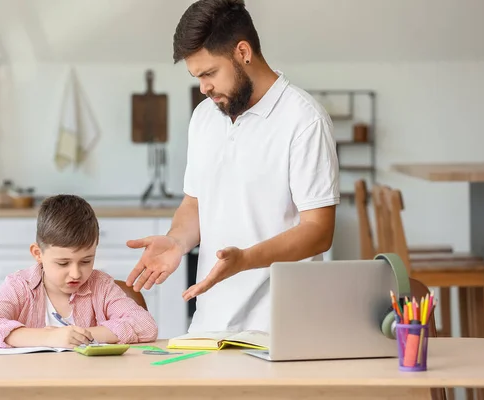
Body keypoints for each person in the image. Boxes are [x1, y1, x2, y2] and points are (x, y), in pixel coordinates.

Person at [125, 0, 340, 333]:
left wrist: (246, 260)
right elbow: (194, 203)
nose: (203, 87)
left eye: (209, 73)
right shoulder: (204, 117)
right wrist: (177, 241)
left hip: (282, 328)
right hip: (210, 325)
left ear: (243, 52)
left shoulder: (304, 120)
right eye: (197, 77)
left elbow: (319, 231)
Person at [0, 194, 158, 348]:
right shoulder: (20, 286)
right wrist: (47, 337)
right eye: (63, 263)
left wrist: (81, 336)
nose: (76, 273)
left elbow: (146, 325)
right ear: (38, 253)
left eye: (86, 261)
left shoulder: (101, 286)